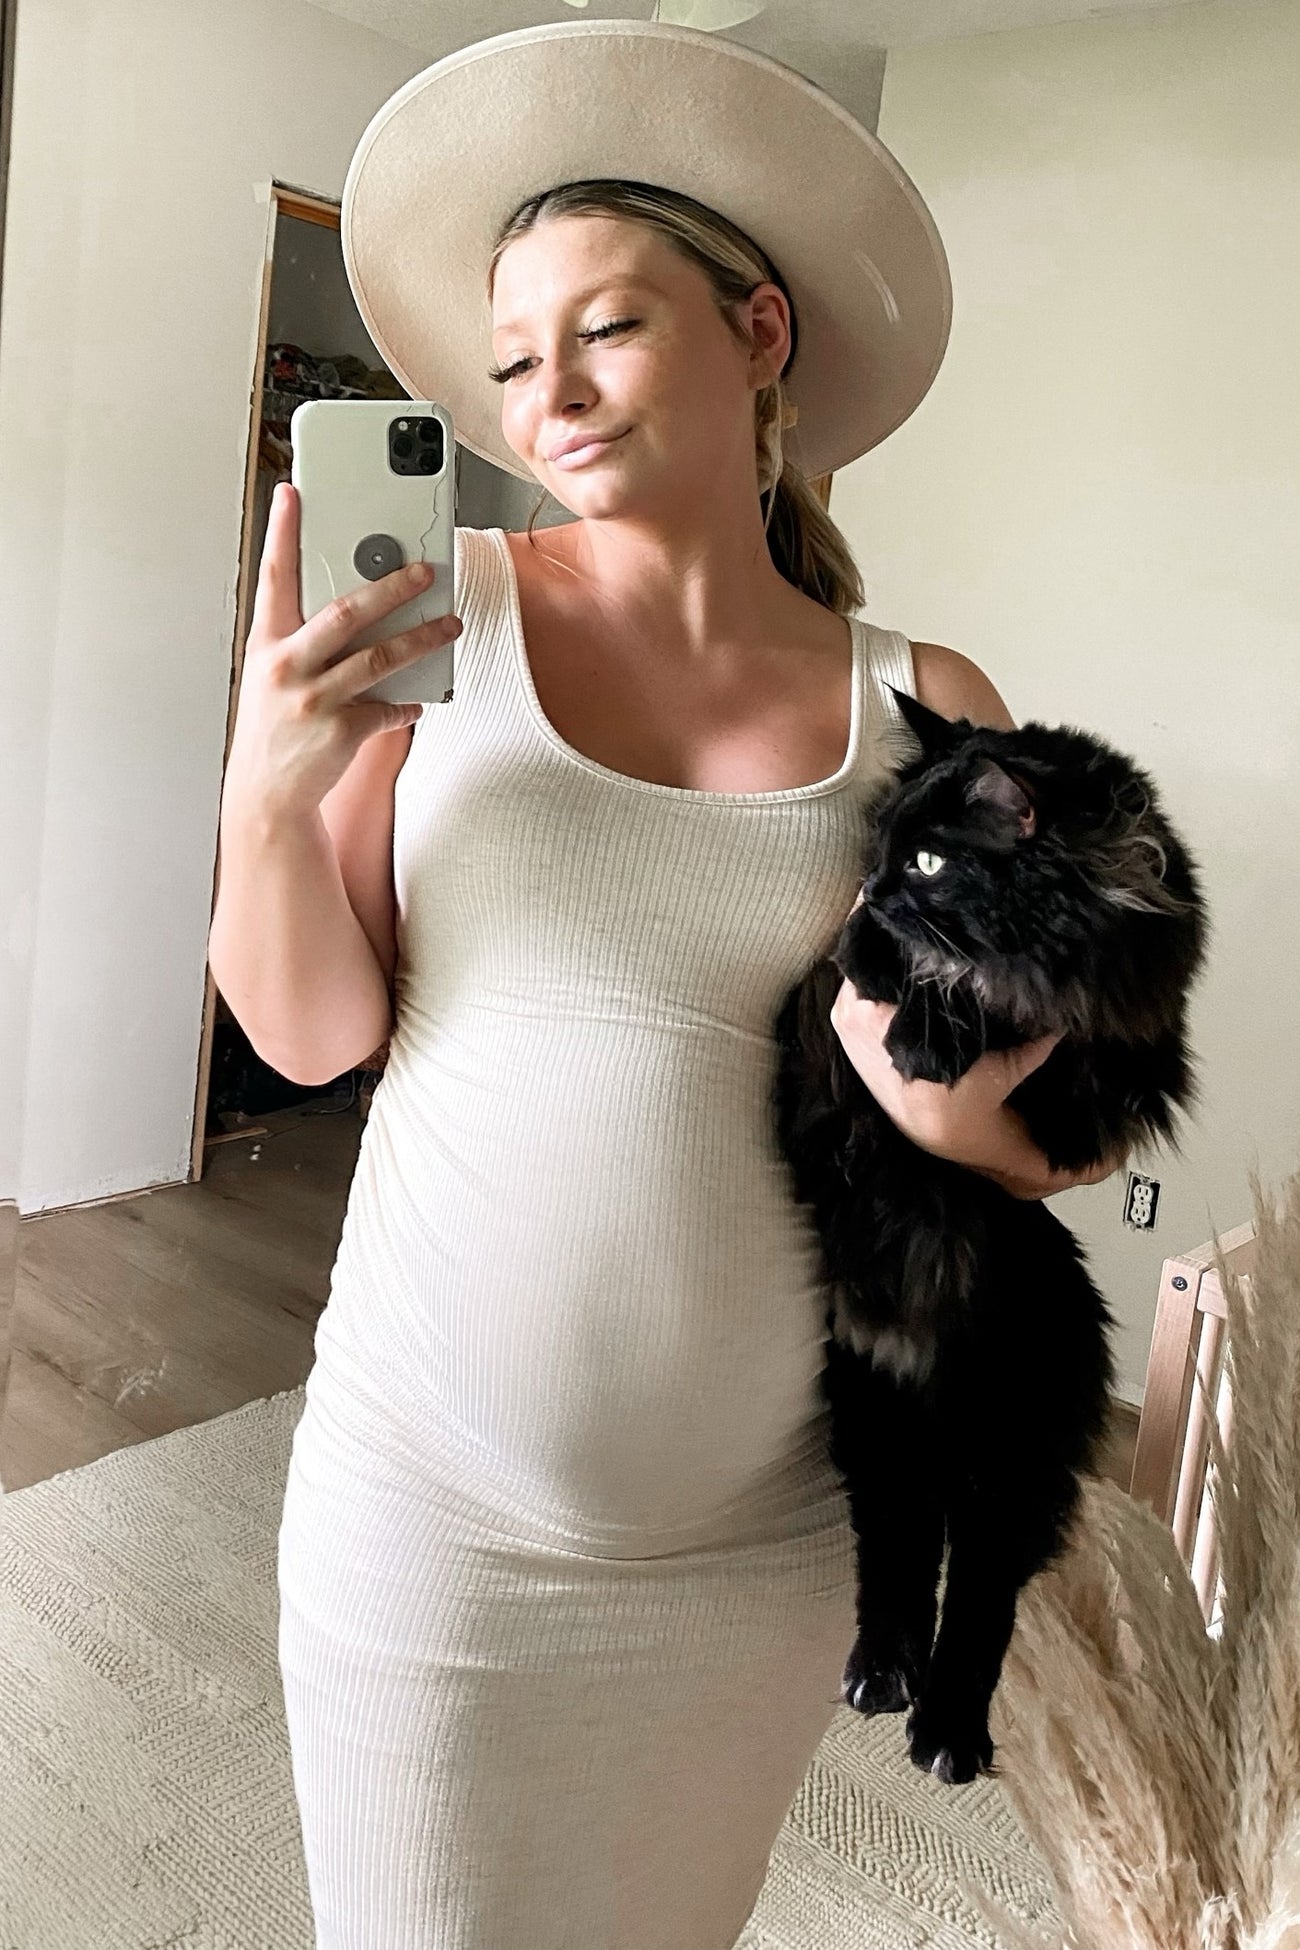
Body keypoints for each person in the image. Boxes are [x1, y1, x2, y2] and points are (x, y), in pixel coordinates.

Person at [209, 22, 1121, 1948]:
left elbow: (1069, 1122)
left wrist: (953, 1116)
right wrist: (268, 797)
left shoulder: (926, 705)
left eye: (607, 329)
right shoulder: (441, 618)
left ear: (758, 333)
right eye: (512, 360)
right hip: (428, 1527)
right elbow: (311, 1030)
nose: (547, 397)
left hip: (762, 1558)